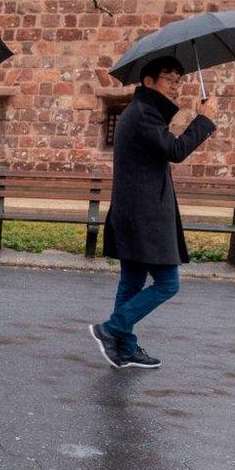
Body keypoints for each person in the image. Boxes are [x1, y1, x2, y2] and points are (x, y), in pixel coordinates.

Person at [89, 56, 219, 369]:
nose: (176, 87)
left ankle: (124, 347)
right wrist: (205, 120)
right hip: (144, 217)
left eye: (179, 80)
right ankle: (111, 329)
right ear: (149, 82)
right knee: (168, 284)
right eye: (169, 79)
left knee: (132, 284)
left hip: (134, 214)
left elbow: (162, 150)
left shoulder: (144, 113)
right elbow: (175, 151)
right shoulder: (144, 115)